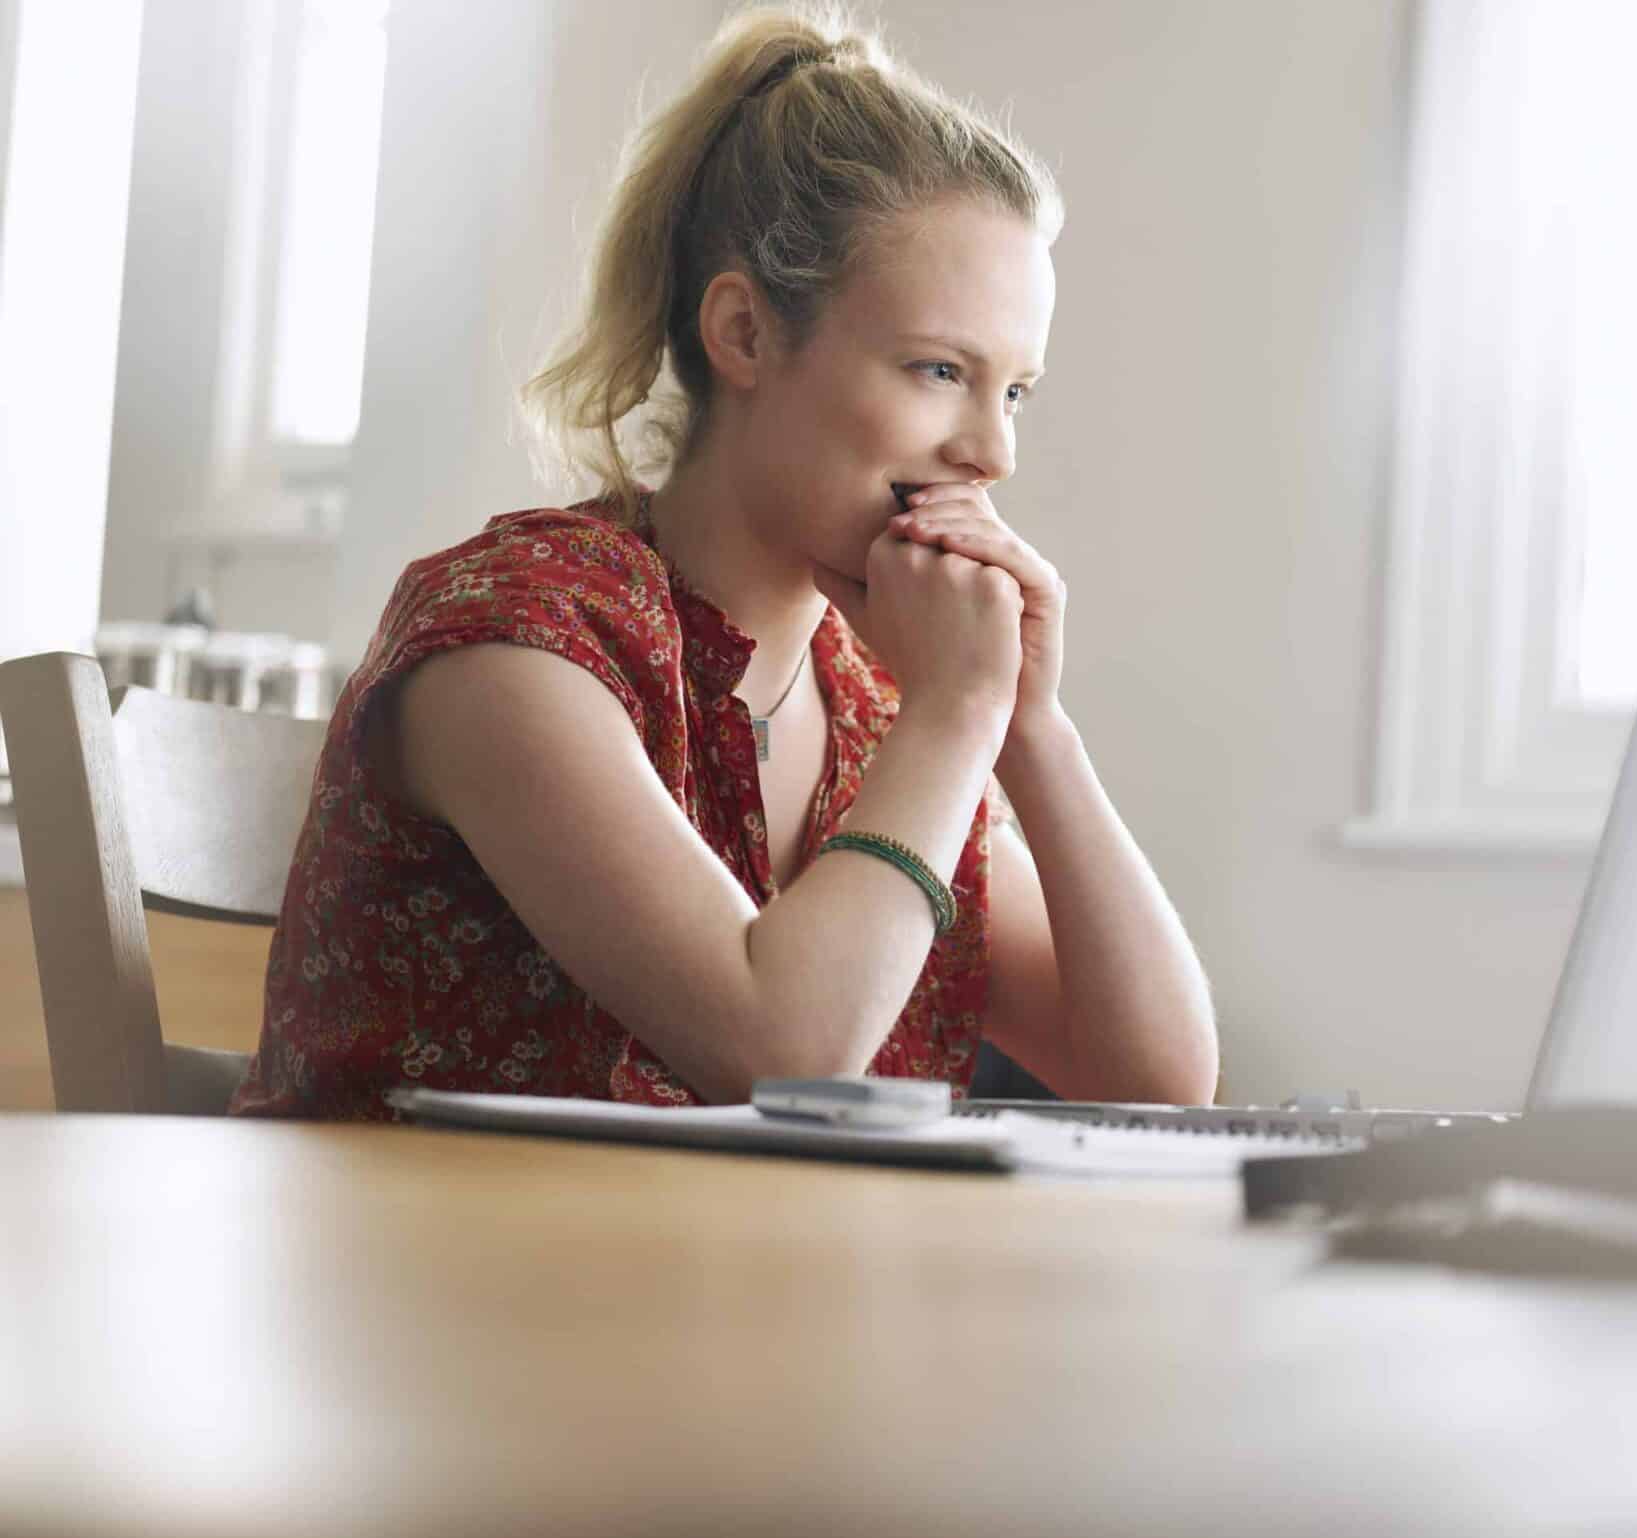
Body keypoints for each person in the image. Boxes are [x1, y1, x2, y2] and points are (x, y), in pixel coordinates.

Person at [230, 4, 1218, 1119]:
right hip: (446, 1281)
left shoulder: (876, 699)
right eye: (938, 370)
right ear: (743, 334)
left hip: (725, 1287)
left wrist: (1029, 723)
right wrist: (957, 712)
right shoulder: (515, 643)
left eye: (1014, 390)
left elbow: (1159, 1080)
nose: (991, 450)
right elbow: (780, 1050)